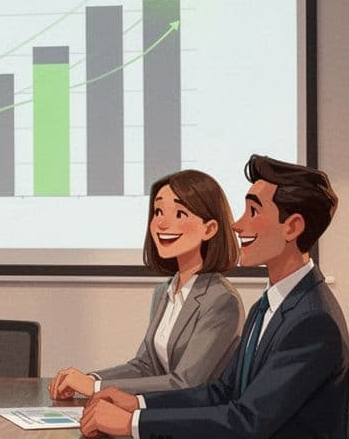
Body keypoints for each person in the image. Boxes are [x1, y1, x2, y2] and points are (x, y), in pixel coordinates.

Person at [80, 155, 349, 439]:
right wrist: (137, 402)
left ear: (293, 227)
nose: (239, 225)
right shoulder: (273, 304)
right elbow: (221, 390)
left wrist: (133, 424)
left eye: (253, 211)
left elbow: (247, 420)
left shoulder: (311, 319)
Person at [49, 170, 243, 400]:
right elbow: (145, 365)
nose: (161, 222)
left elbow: (187, 383)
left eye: (179, 213)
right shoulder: (164, 291)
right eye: (158, 211)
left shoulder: (221, 299)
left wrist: (97, 390)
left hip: (198, 426)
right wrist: (92, 380)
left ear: (209, 229)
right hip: (160, 415)